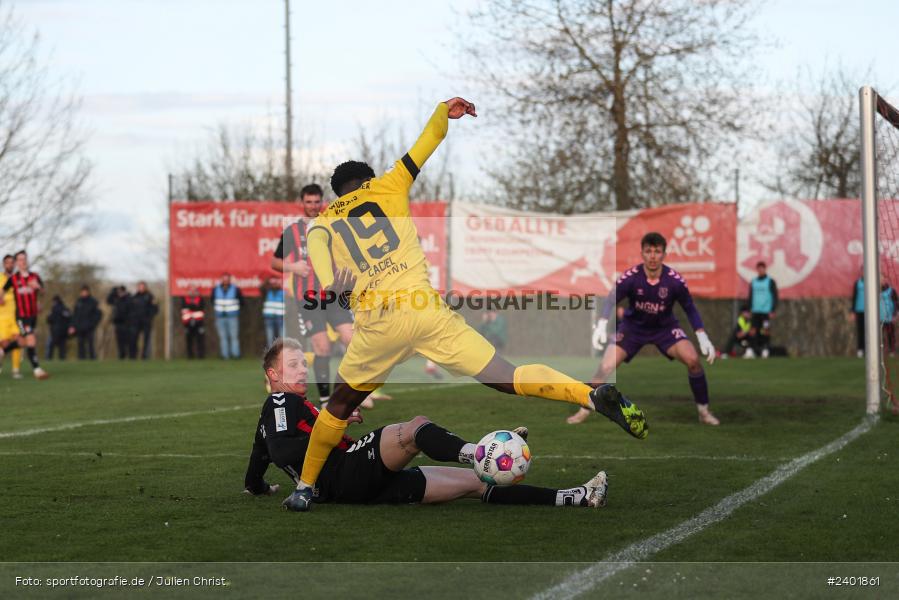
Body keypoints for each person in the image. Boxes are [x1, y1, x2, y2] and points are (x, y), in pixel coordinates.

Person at [282, 97, 646, 513]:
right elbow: (427, 141)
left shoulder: (322, 223)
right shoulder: (389, 183)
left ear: (336, 193)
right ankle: (589, 395)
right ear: (367, 179)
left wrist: (335, 286)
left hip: (379, 324)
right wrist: (444, 111)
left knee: (340, 405)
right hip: (425, 311)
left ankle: (305, 488)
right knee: (506, 376)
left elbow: (322, 264)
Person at [244, 338, 609, 510]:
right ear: (274, 375)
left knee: (477, 484)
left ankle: (575, 497)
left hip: (356, 487)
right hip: (343, 474)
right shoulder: (281, 400)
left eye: (303, 363)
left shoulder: (285, 410)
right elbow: (283, 449)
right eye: (293, 365)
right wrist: (312, 476)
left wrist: (257, 486)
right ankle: (481, 452)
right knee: (414, 429)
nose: (303, 369)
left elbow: (261, 455)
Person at [570, 232, 718, 427]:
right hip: (633, 329)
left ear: (664, 254)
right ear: (642, 254)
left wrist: (702, 336)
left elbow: (689, 307)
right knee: (605, 367)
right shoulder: (631, 277)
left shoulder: (674, 280)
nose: (653, 256)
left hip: (665, 328)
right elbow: (611, 299)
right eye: (649, 251)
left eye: (657, 251)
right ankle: (583, 410)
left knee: (693, 361)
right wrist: (602, 324)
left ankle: (704, 412)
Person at [272, 183, 355, 406]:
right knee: (322, 346)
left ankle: (348, 391)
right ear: (302, 203)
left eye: (317, 201)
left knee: (353, 340)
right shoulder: (293, 231)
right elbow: (274, 262)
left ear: (322, 202)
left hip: (334, 295)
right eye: (308, 202)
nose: (313, 206)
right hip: (309, 298)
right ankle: (327, 401)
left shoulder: (332, 225)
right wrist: (292, 267)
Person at [1, 250, 49, 378]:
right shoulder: (13, 278)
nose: (23, 262)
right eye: (20, 259)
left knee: (23, 342)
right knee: (31, 340)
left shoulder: (35, 276)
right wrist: (1, 298)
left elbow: (43, 292)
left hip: (33, 316)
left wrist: (38, 288)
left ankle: (3, 350)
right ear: (17, 263)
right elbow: (3, 290)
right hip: (21, 317)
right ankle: (37, 369)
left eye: (24, 259)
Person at [746, 261, 778, 359]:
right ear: (757, 270)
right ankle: (751, 350)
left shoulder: (770, 281)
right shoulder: (753, 282)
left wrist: (773, 310)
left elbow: (775, 296)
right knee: (752, 331)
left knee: (765, 331)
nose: (760, 270)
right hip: (755, 311)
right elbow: (750, 296)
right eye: (758, 269)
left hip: (766, 312)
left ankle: (765, 349)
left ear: (765, 269)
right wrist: (749, 309)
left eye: (762, 268)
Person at [0, 254, 23, 378]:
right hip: (2, 318)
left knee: (19, 341)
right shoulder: (0, 278)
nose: (10, 265)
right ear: (4, 264)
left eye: (12, 262)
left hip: (16, 317)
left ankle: (16, 370)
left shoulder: (18, 279)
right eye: (7, 262)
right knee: (4, 344)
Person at [212, 273, 242, 359]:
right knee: (223, 337)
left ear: (229, 280)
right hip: (220, 317)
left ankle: (235, 355)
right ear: (221, 280)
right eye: (224, 279)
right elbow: (212, 300)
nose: (225, 281)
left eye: (227, 279)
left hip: (232, 316)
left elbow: (241, 301)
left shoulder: (236, 289)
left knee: (234, 337)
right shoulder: (215, 289)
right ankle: (225, 355)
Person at [69, 285, 101, 360]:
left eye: (85, 291)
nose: (83, 293)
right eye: (82, 292)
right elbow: (75, 315)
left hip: (89, 327)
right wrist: (72, 326)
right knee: (80, 344)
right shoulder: (78, 301)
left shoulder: (93, 302)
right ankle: (81, 359)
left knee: (90, 344)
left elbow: (98, 314)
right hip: (79, 327)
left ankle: (92, 359)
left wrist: (93, 324)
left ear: (88, 292)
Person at [107, 285, 136, 359]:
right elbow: (108, 300)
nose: (120, 293)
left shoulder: (129, 299)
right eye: (118, 292)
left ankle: (132, 356)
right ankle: (121, 356)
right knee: (120, 341)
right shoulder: (116, 299)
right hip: (118, 323)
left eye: (121, 292)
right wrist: (113, 291)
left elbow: (132, 311)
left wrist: (129, 321)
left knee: (129, 341)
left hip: (128, 324)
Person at [131, 281, 158, 360]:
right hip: (136, 322)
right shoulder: (134, 297)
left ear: (145, 287)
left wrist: (149, 317)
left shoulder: (150, 296)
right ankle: (133, 356)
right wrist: (133, 318)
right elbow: (131, 309)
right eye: (140, 286)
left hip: (146, 321)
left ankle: (145, 356)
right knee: (134, 338)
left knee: (146, 339)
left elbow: (155, 308)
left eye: (143, 287)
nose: (141, 288)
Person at [180, 287, 206, 359]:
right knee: (189, 340)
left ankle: (200, 356)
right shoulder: (184, 299)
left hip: (199, 323)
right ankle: (190, 356)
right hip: (188, 323)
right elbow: (184, 309)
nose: (193, 293)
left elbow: (200, 308)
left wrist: (191, 306)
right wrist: (194, 306)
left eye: (194, 291)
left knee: (200, 339)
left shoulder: (200, 299)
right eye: (191, 291)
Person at [261, 276, 285, 348]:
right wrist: (268, 280)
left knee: (282, 336)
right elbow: (261, 287)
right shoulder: (267, 291)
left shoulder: (283, 292)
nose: (274, 284)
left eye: (276, 282)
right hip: (269, 317)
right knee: (269, 337)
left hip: (280, 317)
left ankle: (282, 351)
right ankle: (271, 352)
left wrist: (279, 283)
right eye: (273, 283)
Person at [45, 295, 71, 360]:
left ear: (55, 301)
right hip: (64, 331)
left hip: (55, 331)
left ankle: (49, 359)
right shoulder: (65, 309)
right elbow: (69, 318)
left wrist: (48, 317)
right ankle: (62, 360)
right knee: (62, 348)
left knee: (50, 346)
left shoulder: (54, 309)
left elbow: (50, 319)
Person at [880, 281, 898, 357]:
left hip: (889, 317)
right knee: (880, 335)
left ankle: (892, 350)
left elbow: (896, 302)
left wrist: (895, 314)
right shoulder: (876, 290)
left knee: (890, 334)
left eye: (883, 278)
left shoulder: (892, 291)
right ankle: (880, 350)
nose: (882, 281)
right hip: (880, 317)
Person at [851, 268, 865, 358]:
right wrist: (852, 311)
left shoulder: (873, 282)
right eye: (863, 271)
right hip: (859, 310)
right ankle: (860, 349)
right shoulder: (857, 283)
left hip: (871, 311)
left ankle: (870, 349)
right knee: (861, 330)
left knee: (871, 331)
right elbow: (854, 297)